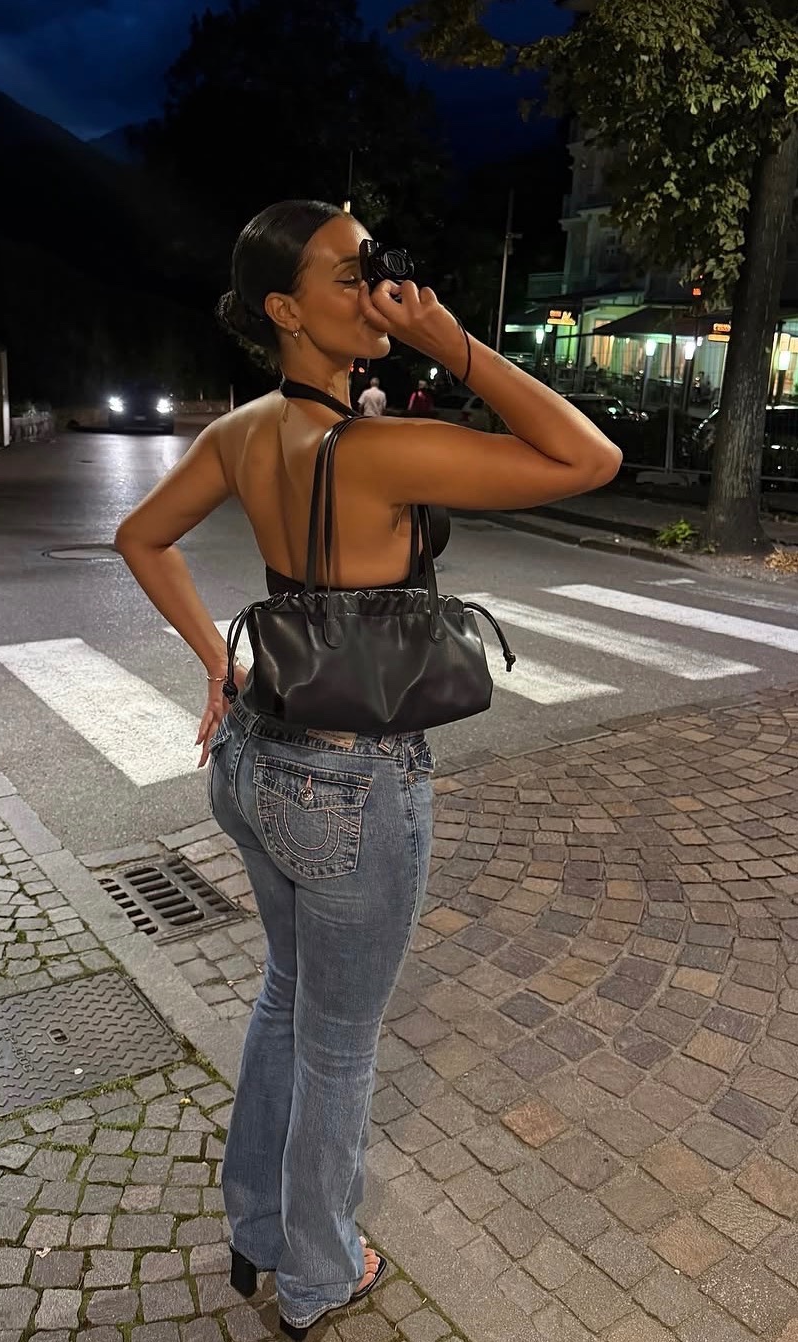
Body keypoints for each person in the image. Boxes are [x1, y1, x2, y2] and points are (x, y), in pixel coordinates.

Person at [114, 200, 622, 1339]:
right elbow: (588, 458)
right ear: (285, 310)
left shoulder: (244, 432)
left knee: (285, 997)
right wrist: (454, 343)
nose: (381, 289)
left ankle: (259, 1229)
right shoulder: (376, 452)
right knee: (337, 1045)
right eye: (349, 275)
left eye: (379, 267)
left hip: (252, 759)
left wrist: (218, 666)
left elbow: (140, 537)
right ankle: (316, 1275)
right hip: (351, 780)